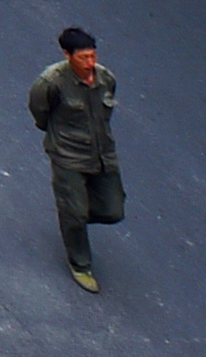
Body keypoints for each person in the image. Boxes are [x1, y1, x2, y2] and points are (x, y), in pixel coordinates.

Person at [27, 25, 125, 291]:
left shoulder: (105, 78)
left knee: (114, 210)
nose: (90, 63)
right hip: (67, 155)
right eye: (83, 58)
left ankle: (72, 216)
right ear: (67, 55)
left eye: (93, 56)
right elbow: (39, 110)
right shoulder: (52, 82)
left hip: (102, 154)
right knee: (76, 212)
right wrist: (58, 135)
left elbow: (106, 111)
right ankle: (81, 264)